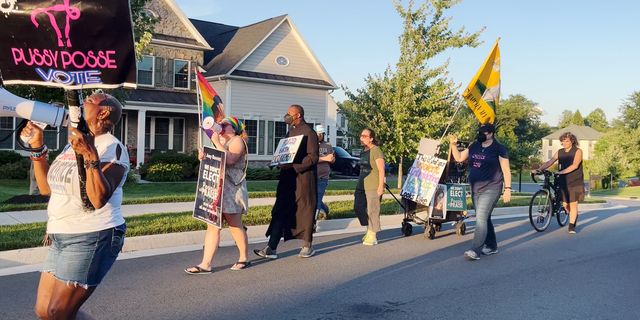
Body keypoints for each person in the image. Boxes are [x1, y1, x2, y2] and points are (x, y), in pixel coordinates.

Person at [24, 93, 129, 320]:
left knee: (59, 312)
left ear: (103, 112)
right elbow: (46, 189)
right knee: (44, 310)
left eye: (89, 101)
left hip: (93, 234)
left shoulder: (113, 147)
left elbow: (97, 200)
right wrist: (37, 146)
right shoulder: (71, 146)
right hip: (62, 235)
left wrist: (91, 155)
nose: (81, 104)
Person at [185, 117, 251, 274]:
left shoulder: (237, 141)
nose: (220, 126)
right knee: (212, 225)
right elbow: (215, 161)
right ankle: (205, 264)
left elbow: (231, 160)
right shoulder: (219, 140)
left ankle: (243, 258)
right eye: (220, 124)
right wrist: (204, 156)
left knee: (234, 224)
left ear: (233, 129)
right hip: (216, 187)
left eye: (224, 125)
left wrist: (217, 143)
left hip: (231, 188)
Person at [255, 105, 319, 259]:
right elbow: (286, 152)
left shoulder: (309, 133)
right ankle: (272, 248)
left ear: (298, 115)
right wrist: (276, 161)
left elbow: (313, 157)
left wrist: (294, 166)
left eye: (290, 113)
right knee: (279, 210)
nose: (287, 115)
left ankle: (307, 246)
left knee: (304, 211)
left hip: (303, 179)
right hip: (287, 178)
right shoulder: (290, 132)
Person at [449, 123, 511, 260]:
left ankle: (475, 250)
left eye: (482, 132)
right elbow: (459, 158)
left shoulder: (498, 149)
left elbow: (506, 169)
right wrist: (453, 145)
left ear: (490, 134)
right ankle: (492, 246)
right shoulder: (474, 146)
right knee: (485, 217)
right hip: (475, 188)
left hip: (492, 188)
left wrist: (508, 189)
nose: (479, 134)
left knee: (481, 218)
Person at [533, 132, 584, 234]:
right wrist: (538, 170)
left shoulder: (578, 151)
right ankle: (573, 215)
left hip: (575, 180)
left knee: (572, 203)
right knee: (565, 205)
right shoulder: (560, 152)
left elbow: (574, 165)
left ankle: (571, 226)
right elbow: (550, 162)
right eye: (563, 141)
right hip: (562, 180)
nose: (564, 143)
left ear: (572, 141)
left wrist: (561, 172)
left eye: (567, 141)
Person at [353, 128, 385, 246]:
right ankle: (369, 228)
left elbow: (381, 169)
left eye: (364, 136)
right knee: (358, 207)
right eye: (361, 136)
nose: (361, 138)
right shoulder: (363, 151)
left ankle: (373, 235)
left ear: (371, 138)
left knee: (373, 210)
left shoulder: (376, 150)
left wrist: (380, 186)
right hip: (361, 185)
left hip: (373, 185)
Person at [315, 124, 334, 220]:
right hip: (312, 176)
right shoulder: (311, 145)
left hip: (324, 177)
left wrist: (331, 159)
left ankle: (313, 223)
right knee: (313, 198)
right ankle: (325, 209)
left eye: (322, 134)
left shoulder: (328, 145)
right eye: (319, 134)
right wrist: (325, 158)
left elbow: (332, 159)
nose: (320, 136)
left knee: (317, 198)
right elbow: (311, 160)